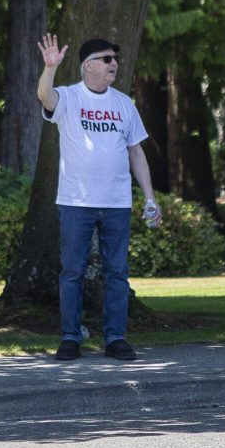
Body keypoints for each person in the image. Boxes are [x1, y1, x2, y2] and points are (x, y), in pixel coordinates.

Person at [36, 33, 161, 362]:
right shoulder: (69, 98)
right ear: (87, 66)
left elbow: (136, 152)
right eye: (107, 59)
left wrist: (150, 197)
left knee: (117, 272)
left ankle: (116, 338)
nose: (114, 65)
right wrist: (50, 68)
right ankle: (69, 338)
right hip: (76, 202)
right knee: (72, 272)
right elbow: (44, 96)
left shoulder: (124, 103)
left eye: (115, 60)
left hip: (117, 203)